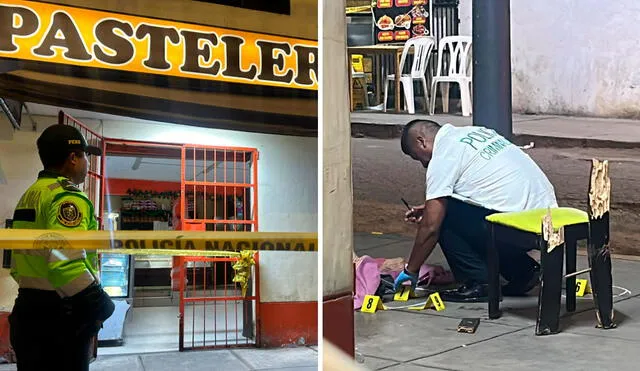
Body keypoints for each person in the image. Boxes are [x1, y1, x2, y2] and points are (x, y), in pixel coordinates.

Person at [393, 119, 558, 302]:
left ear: (421, 141)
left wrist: (411, 270)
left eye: (418, 157)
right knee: (452, 210)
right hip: (547, 217)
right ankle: (523, 272)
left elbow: (430, 227)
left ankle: (479, 283)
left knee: (444, 217)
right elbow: (489, 187)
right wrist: (429, 208)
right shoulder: (476, 132)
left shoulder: (443, 155)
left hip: (521, 227)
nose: (424, 164)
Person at [8, 124, 115, 371]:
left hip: (27, 310)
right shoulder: (67, 197)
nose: (88, 163)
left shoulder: (32, 194)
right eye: (86, 156)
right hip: (59, 319)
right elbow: (65, 262)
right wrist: (99, 304)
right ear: (73, 157)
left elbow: (16, 259)